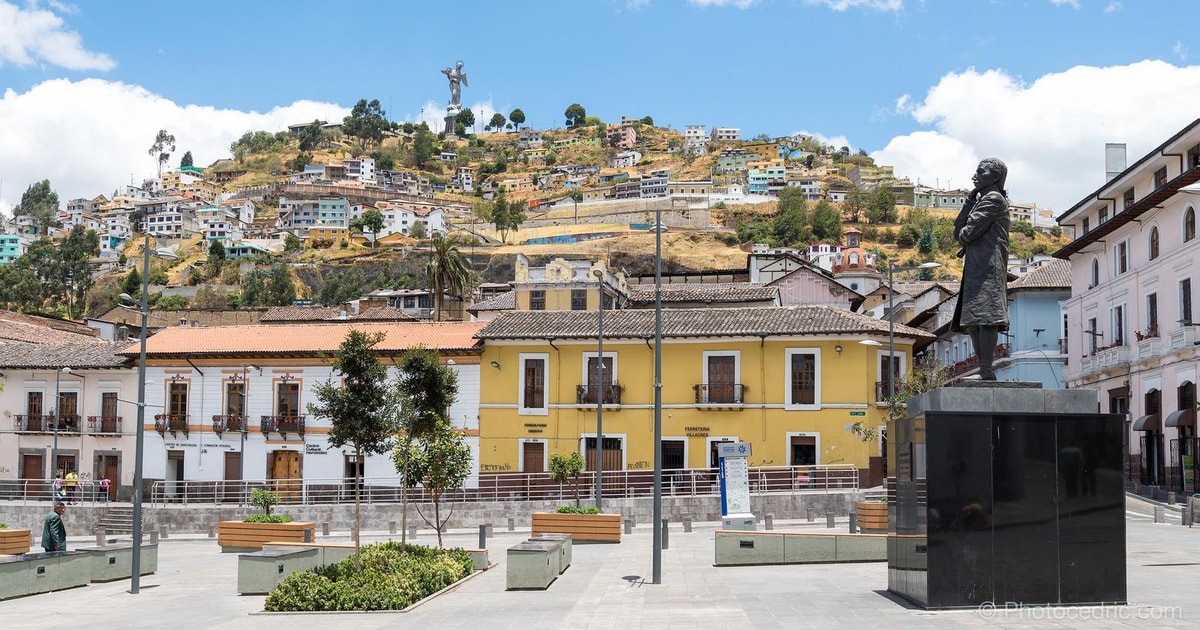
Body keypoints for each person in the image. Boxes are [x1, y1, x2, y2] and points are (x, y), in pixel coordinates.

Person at [951, 157, 1011, 380]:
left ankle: (987, 370)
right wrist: (968, 202)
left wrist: (969, 209)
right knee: (976, 320)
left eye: (980, 172)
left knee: (986, 319)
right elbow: (959, 232)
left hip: (988, 266)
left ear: (995, 177)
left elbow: (966, 234)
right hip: (978, 267)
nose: (974, 176)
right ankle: (985, 370)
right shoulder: (983, 200)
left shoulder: (993, 200)